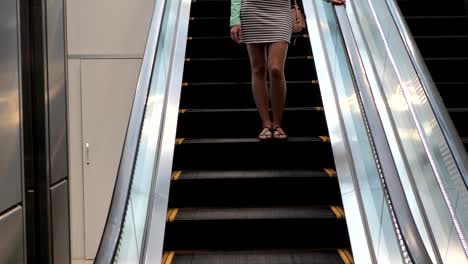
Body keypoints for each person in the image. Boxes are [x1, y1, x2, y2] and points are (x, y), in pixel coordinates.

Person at [230, 0, 346, 140]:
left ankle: (277, 123)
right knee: (258, 69)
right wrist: (235, 19)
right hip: (251, 11)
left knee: (276, 68)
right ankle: (266, 123)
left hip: (280, 10)